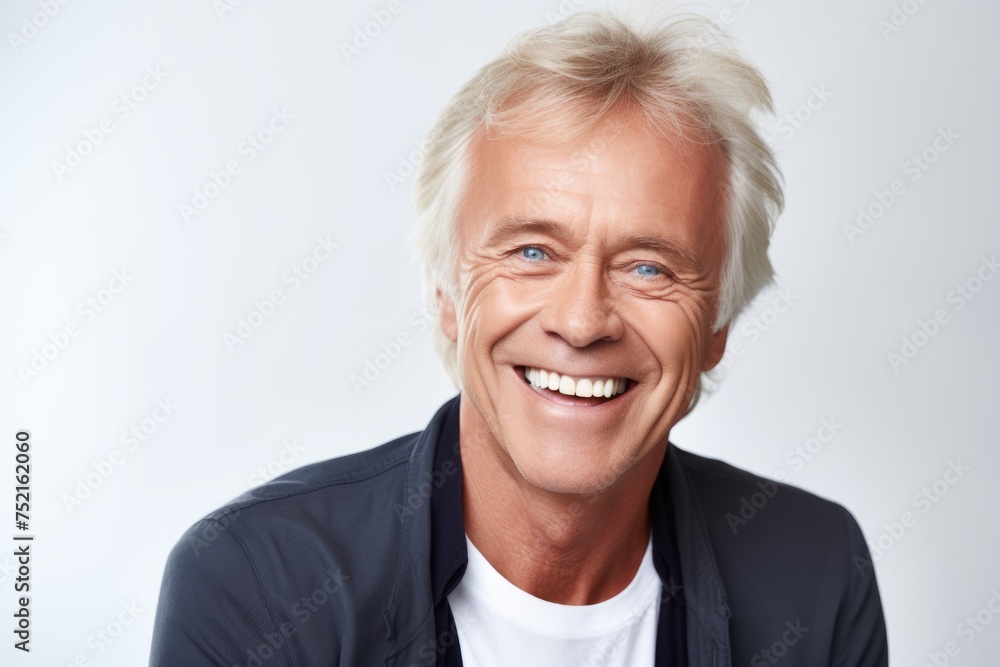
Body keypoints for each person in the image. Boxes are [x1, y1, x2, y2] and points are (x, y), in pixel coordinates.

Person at [150, 9, 889, 666]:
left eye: (648, 265)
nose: (581, 320)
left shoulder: (817, 574)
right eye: (533, 252)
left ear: (718, 325)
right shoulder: (257, 584)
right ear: (445, 291)